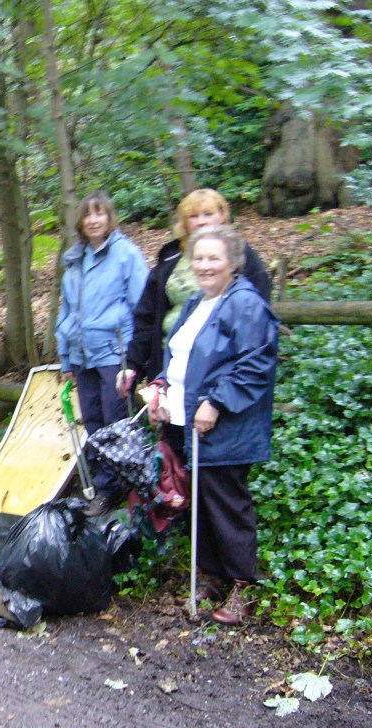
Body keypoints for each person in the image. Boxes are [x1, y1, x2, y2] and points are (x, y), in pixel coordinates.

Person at [146, 224, 279, 625]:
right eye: (199, 258)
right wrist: (161, 387)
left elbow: (256, 363)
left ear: (233, 263)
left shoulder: (245, 304)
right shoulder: (193, 303)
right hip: (188, 424)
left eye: (213, 258)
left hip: (226, 426)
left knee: (226, 504)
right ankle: (213, 577)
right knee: (200, 503)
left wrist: (218, 401)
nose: (204, 266)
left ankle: (244, 587)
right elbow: (176, 357)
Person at [120, 188, 273, 396]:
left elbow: (257, 324)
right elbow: (146, 317)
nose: (201, 222)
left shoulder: (242, 257)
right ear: (184, 222)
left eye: (208, 214)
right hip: (169, 364)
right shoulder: (170, 258)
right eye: (193, 216)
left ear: (222, 216)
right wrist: (133, 364)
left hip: (218, 371)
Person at [55, 191, 149, 517]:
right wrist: (66, 359)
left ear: (109, 218)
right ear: (80, 222)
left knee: (115, 424)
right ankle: (100, 484)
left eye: (100, 214)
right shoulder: (75, 260)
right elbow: (66, 313)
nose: (94, 220)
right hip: (82, 356)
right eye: (88, 215)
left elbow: (143, 307)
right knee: (93, 422)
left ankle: (116, 489)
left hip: (114, 354)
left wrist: (137, 358)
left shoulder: (126, 255)